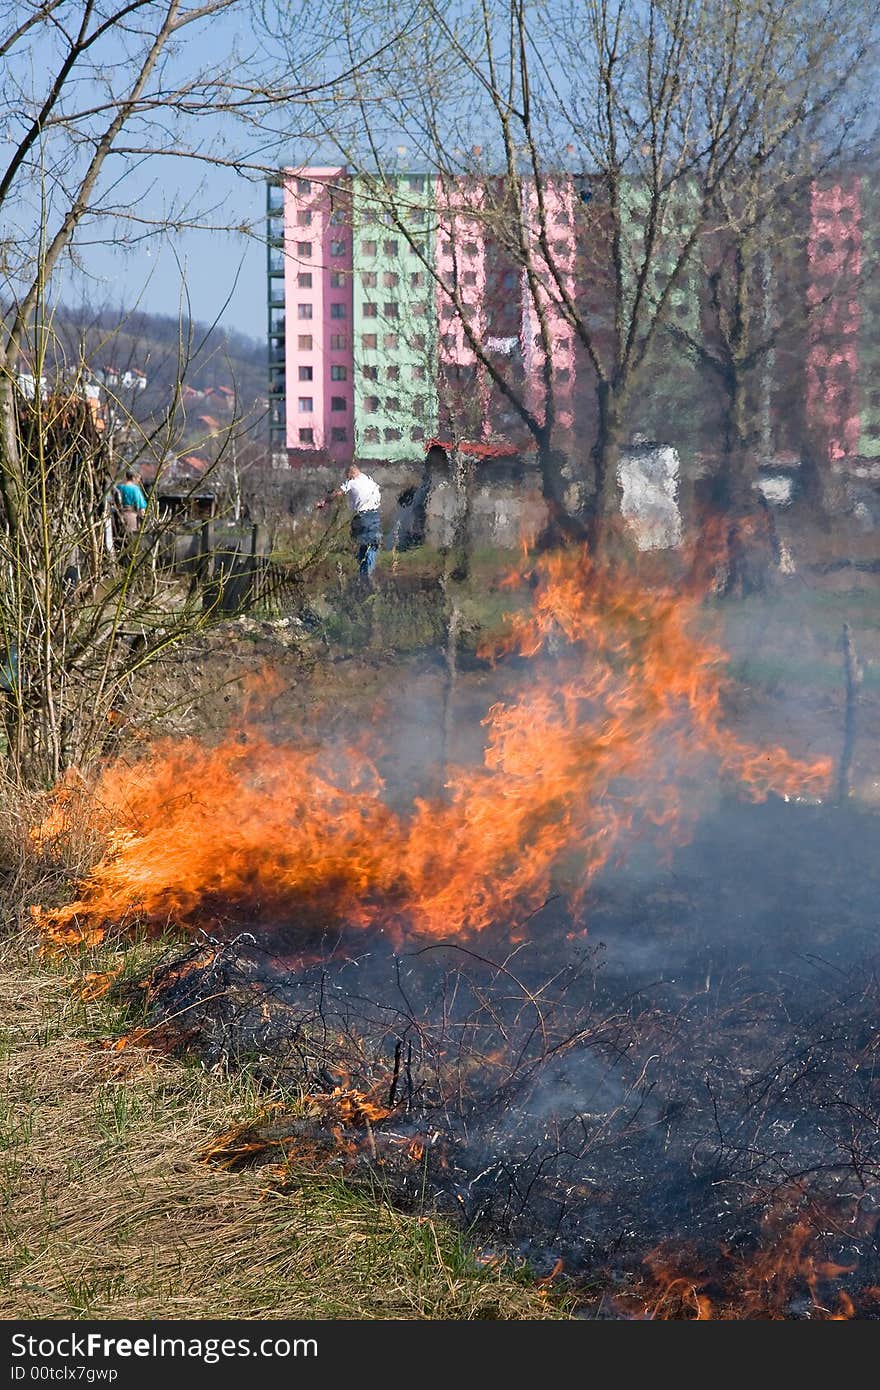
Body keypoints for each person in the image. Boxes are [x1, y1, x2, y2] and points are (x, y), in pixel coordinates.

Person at [318, 464, 383, 585]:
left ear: (351, 474)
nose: (346, 479)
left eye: (347, 476)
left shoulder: (352, 482)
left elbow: (337, 493)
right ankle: (365, 574)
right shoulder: (369, 480)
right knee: (373, 544)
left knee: (365, 544)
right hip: (373, 515)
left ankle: (363, 573)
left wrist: (324, 501)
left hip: (362, 517)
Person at [114, 468, 147, 536]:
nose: (139, 481)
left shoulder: (119, 487)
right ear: (133, 478)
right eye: (138, 479)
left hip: (118, 516)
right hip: (131, 516)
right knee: (130, 538)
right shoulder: (135, 489)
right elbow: (141, 506)